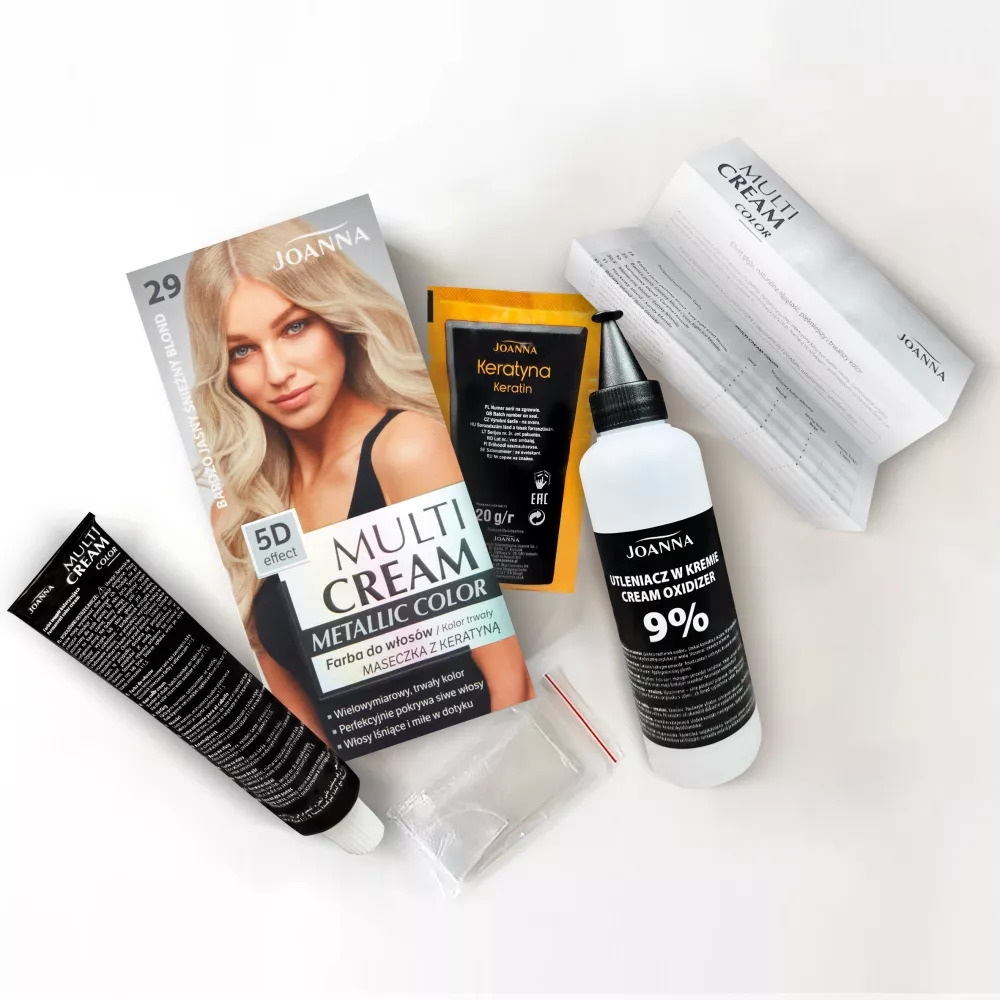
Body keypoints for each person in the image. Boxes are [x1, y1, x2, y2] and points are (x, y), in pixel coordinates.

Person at [186, 218, 532, 740]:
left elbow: (510, 679)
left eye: (294, 327)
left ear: (337, 319)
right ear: (225, 371)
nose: (277, 372)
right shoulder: (240, 511)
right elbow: (291, 706)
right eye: (242, 350)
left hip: (483, 747)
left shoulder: (407, 449)